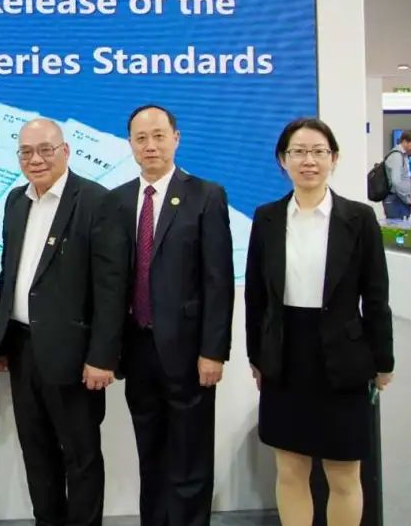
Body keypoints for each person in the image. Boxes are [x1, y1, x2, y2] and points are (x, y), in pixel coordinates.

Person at [245, 117, 394, 526]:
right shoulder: (267, 218)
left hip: (344, 358)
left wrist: (383, 361)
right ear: (283, 160)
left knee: (343, 473)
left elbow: (376, 297)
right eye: (298, 152)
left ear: (334, 158)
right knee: (291, 470)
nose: (308, 161)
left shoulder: (359, 218)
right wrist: (257, 357)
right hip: (285, 356)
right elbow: (256, 296)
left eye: (318, 152)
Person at [0, 118, 127, 526]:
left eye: (45, 150)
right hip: (23, 349)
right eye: (26, 152)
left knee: (80, 456)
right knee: (37, 453)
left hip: (75, 355)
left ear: (65, 151)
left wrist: (102, 357)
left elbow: (111, 288)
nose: (36, 159)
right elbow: (10, 274)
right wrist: (2, 340)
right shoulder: (16, 201)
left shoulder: (97, 201)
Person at [108, 104, 234, 526]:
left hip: (189, 352)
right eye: (141, 138)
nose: (151, 146)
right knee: (151, 454)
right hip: (137, 349)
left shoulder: (205, 195)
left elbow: (218, 281)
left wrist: (213, 351)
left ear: (176, 139)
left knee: (190, 456)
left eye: (159, 136)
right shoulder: (117, 200)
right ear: (130, 144)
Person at [383, 130, 411, 220]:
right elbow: (396, 181)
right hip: (396, 201)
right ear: (404, 142)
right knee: (399, 227)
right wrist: (407, 199)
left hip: (400, 200)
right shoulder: (396, 156)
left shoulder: (403, 156)